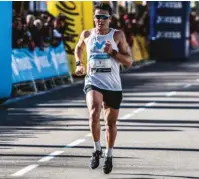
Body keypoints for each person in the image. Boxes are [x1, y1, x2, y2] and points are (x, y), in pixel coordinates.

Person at [74, 3, 132, 174]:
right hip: (93, 81)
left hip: (113, 85)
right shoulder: (87, 34)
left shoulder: (117, 36)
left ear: (110, 19)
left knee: (110, 123)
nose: (100, 20)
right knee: (93, 112)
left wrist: (112, 53)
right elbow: (79, 47)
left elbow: (128, 61)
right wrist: (79, 63)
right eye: (98, 17)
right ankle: (96, 149)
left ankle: (109, 155)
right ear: (94, 18)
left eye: (104, 17)